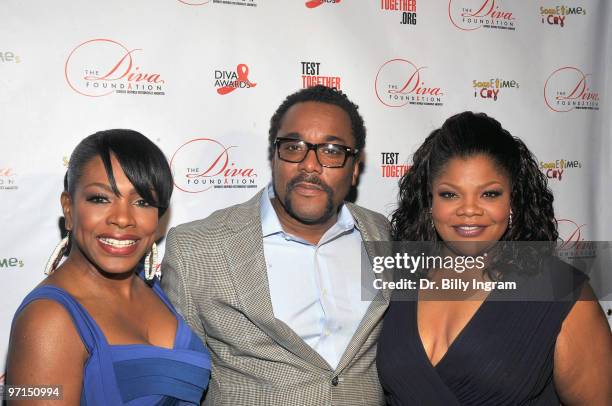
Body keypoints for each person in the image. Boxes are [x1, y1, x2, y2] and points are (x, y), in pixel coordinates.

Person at [161, 85, 390, 405]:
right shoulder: (196, 249)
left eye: (332, 150)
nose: (310, 165)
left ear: (355, 168)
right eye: (294, 147)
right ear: (274, 157)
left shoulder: (383, 235)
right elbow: (176, 386)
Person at [376, 112, 612, 405]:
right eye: (450, 195)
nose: (469, 210)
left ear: (514, 199)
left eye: (489, 194)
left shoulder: (562, 292)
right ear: (429, 200)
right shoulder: (399, 279)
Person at [7, 130, 211, 405]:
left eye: (142, 201)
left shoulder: (155, 288)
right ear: (69, 209)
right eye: (101, 199)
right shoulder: (46, 320)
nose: (123, 218)